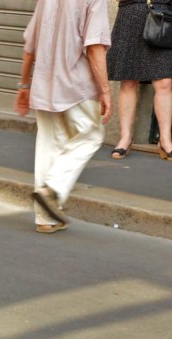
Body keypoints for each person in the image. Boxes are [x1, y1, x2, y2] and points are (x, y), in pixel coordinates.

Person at [14, 0, 111, 234]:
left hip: (45, 84)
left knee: (49, 144)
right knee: (91, 136)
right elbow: (94, 46)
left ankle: (45, 218)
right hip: (77, 86)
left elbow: (31, 46)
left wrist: (24, 85)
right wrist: (106, 91)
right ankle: (53, 188)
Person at [107, 0, 172, 160]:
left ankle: (165, 140)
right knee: (129, 80)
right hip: (131, 12)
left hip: (162, 14)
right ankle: (125, 138)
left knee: (164, 82)